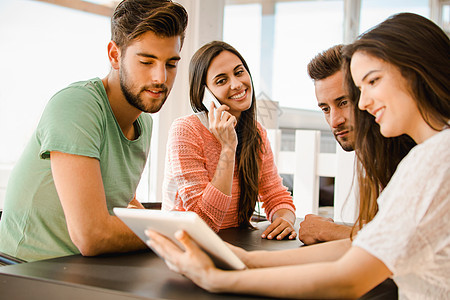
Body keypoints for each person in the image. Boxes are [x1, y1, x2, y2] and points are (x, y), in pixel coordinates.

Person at [146, 13, 450, 299]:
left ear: (416, 72)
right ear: (204, 94)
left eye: (370, 83)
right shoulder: (430, 156)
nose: (364, 103)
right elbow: (364, 246)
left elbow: (349, 275)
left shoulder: (431, 161)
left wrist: (218, 278)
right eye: (221, 80)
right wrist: (248, 260)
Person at [0, 0, 188, 262]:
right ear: (114, 55)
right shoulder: (77, 106)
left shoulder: (143, 121)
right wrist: (176, 231)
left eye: (171, 64)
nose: (160, 78)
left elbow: (122, 202)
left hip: (83, 268)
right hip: (25, 272)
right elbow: (92, 235)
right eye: (147, 61)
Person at [162, 41, 296, 240]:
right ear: (205, 94)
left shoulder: (256, 132)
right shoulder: (186, 130)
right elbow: (202, 222)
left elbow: (276, 195)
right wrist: (228, 148)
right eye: (221, 80)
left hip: (237, 243)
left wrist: (284, 219)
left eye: (239, 72)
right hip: (187, 244)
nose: (236, 84)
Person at [300, 45, 415, 245]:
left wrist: (329, 230)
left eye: (343, 102)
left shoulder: (410, 152)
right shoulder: (374, 154)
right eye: (325, 109)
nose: (335, 121)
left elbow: (403, 241)